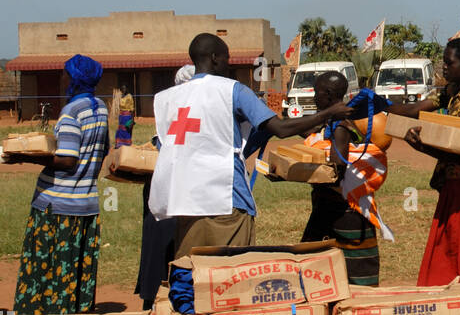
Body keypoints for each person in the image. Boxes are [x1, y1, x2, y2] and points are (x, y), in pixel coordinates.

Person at [148, 34, 349, 259]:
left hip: (182, 200)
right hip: (224, 199)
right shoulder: (233, 90)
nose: (229, 63)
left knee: (190, 274)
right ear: (215, 58)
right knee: (230, 275)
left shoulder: (166, 99)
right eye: (227, 58)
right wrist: (330, 113)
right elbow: (280, 129)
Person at [387, 37, 460, 286]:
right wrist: (382, 106)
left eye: (449, 63)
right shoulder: (452, 93)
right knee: (444, 252)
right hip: (454, 184)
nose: (444, 68)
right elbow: (418, 109)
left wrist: (422, 147)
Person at [13, 54, 109, 315]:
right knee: (75, 267)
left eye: (65, 73)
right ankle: (75, 314)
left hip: (58, 206)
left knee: (49, 268)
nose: (61, 77)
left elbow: (67, 160)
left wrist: (24, 155)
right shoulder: (100, 107)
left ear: (74, 78)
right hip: (86, 203)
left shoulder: (70, 112)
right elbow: (103, 147)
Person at [301, 72, 394, 287]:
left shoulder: (341, 126)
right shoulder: (329, 122)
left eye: (317, 94)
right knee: (318, 270)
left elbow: (337, 168)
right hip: (330, 209)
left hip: (344, 213)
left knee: (355, 279)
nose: (315, 98)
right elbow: (304, 130)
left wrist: (298, 172)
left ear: (328, 94)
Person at [132, 65, 192, 310]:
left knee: (158, 250)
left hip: (164, 191)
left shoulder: (169, 106)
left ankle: (152, 300)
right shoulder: (197, 109)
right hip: (183, 193)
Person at [115, 85, 135, 149]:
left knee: (126, 129)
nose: (124, 90)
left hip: (127, 116)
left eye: (125, 88)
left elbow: (132, 108)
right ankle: (119, 143)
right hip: (121, 116)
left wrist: (132, 119)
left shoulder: (129, 96)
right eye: (122, 89)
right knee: (120, 129)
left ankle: (127, 143)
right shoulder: (121, 96)